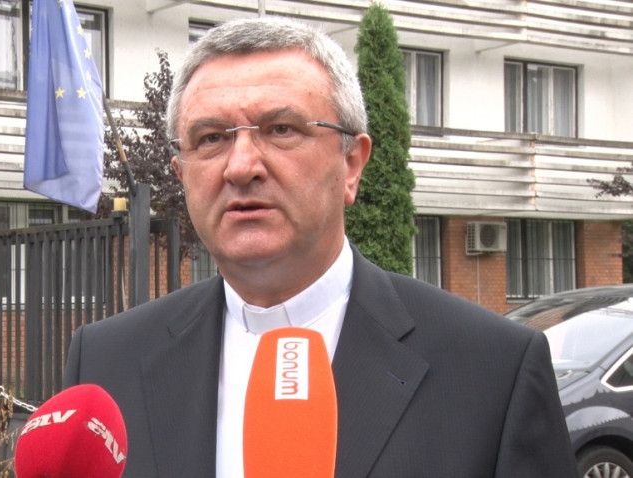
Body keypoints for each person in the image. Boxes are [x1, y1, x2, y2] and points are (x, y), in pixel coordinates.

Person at [64, 16, 577, 477]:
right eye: (212, 138)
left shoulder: (492, 370)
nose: (241, 166)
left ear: (351, 164)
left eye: (280, 129)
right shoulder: (105, 365)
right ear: (182, 174)